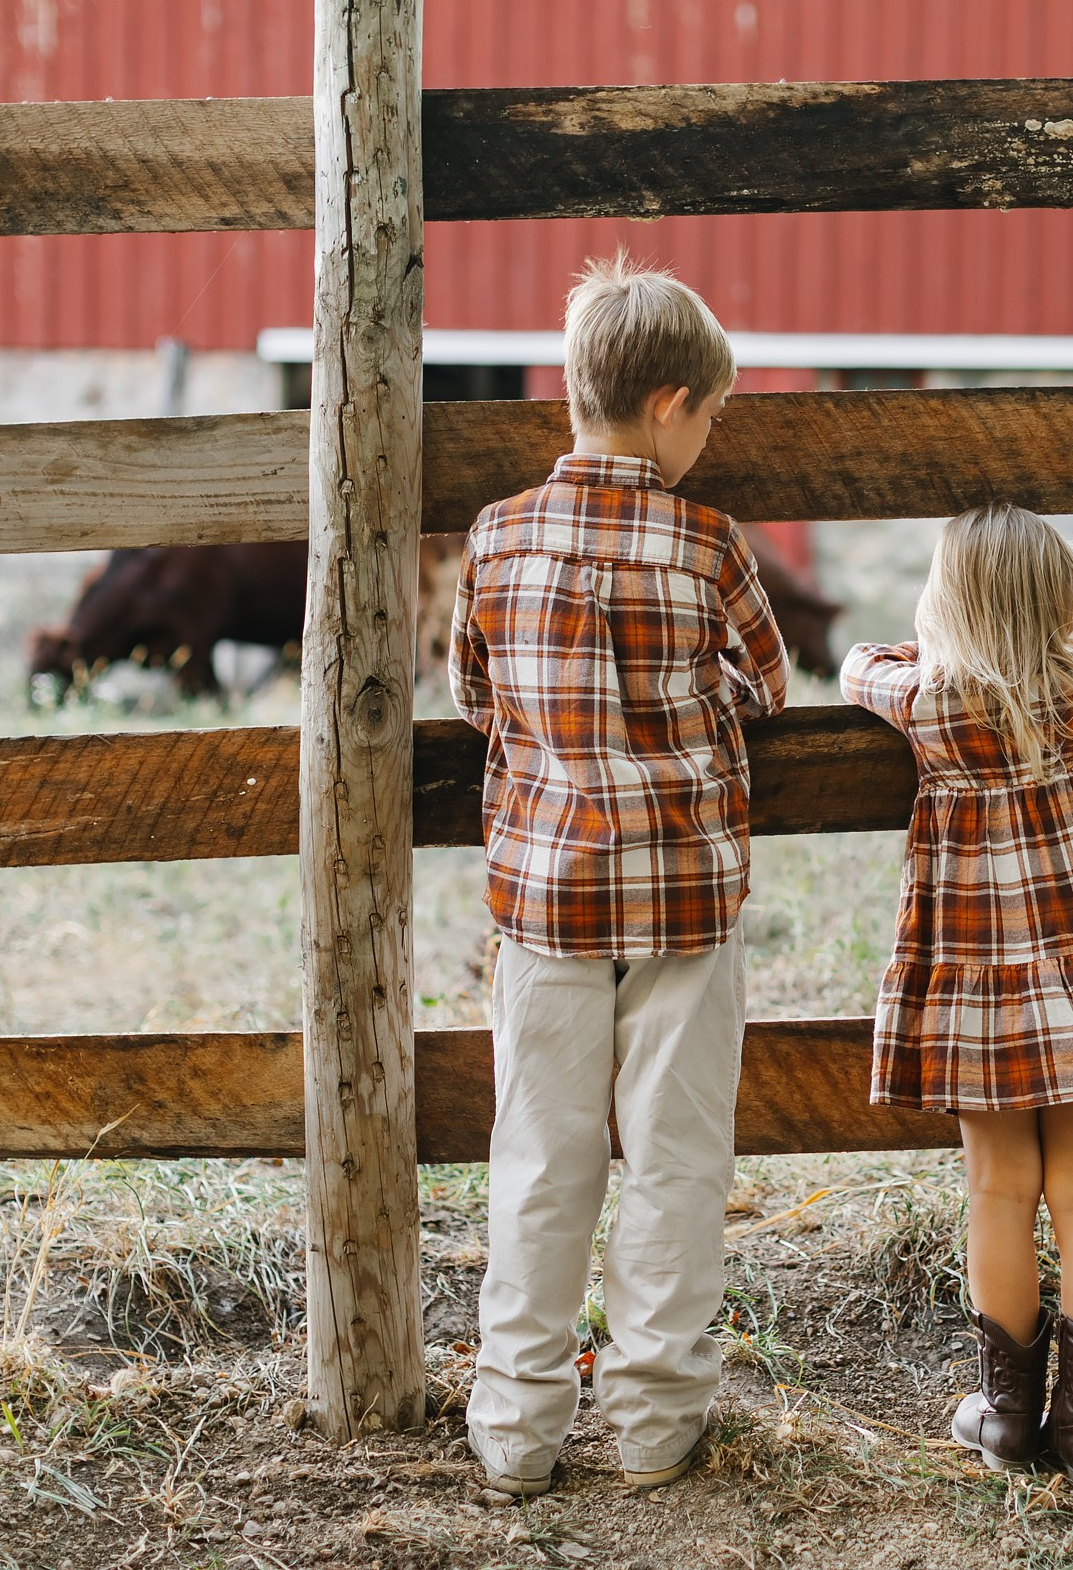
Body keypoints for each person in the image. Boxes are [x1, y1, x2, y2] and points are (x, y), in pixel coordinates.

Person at [449, 255, 788, 1496]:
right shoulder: (707, 544)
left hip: (542, 901)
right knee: (676, 1155)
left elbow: (472, 693)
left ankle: (518, 1431)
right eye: (711, 414)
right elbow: (765, 688)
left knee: (538, 1158)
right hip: (687, 901)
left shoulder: (496, 535)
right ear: (667, 402)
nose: (709, 439)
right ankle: (654, 1422)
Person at [840, 506, 1073, 1492]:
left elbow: (851, 667)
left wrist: (922, 648)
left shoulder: (924, 701)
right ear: (1058, 598)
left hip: (977, 1001)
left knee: (997, 1195)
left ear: (947, 605)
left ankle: (1008, 1419)